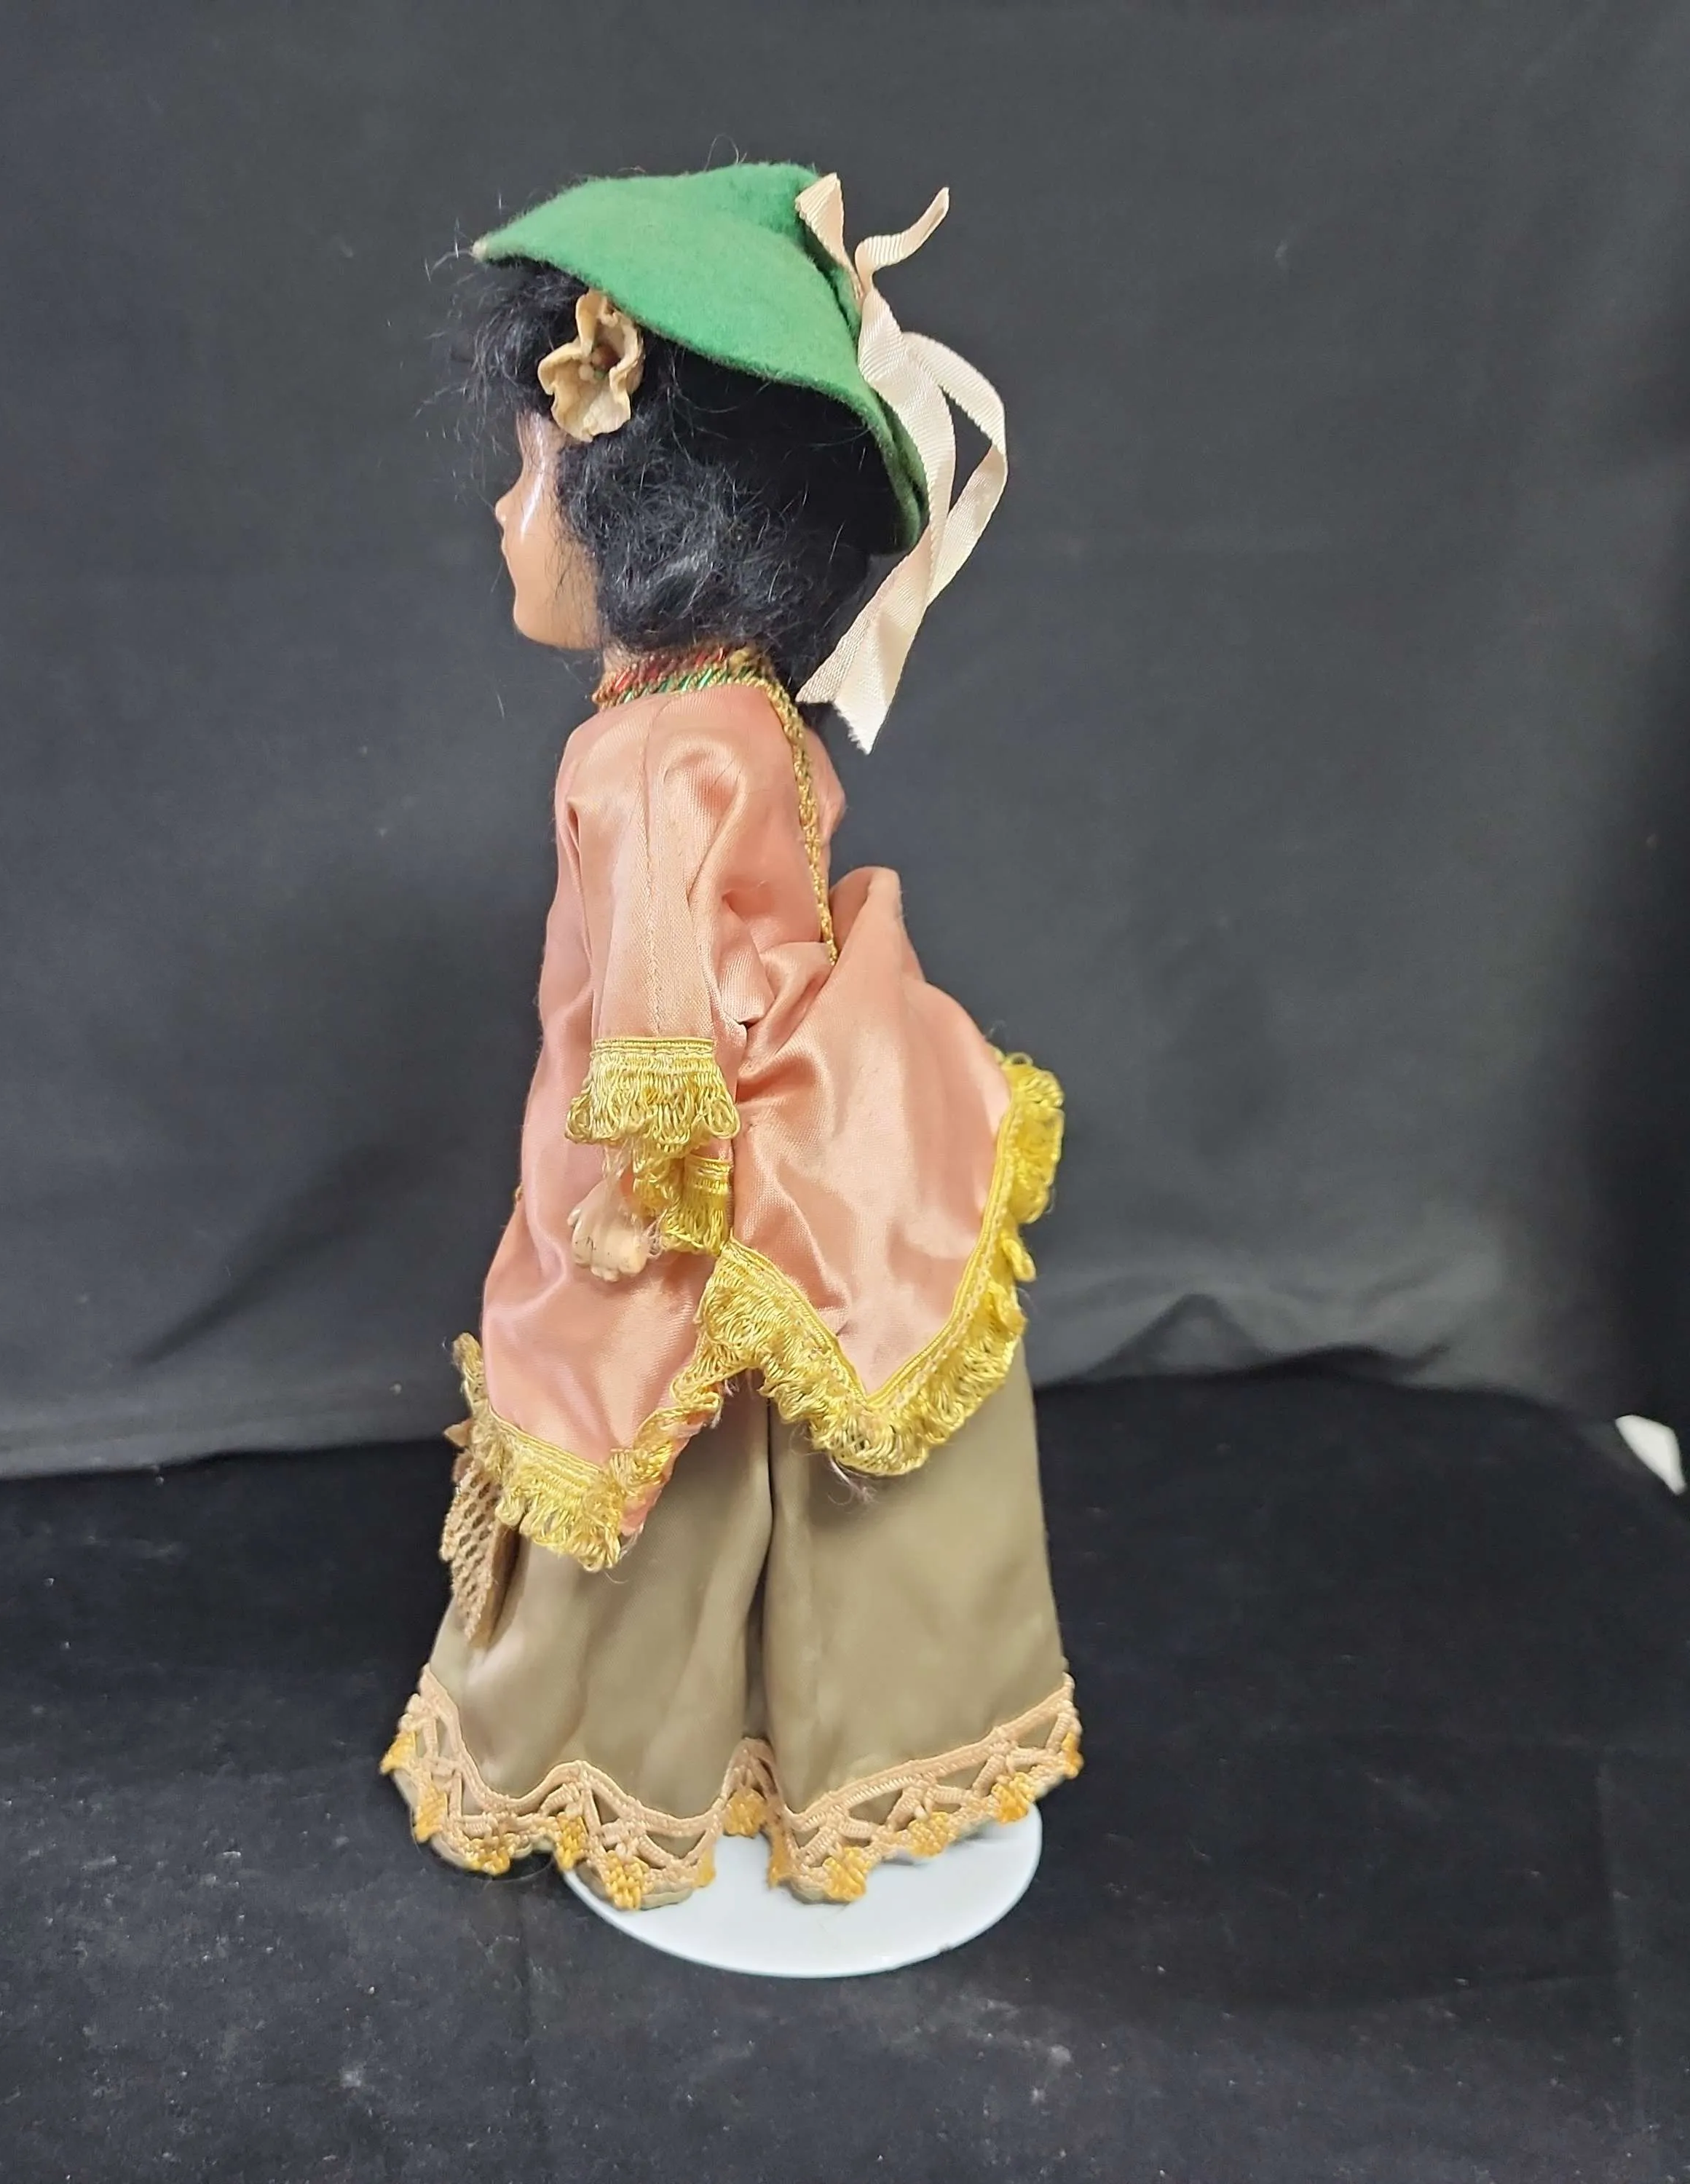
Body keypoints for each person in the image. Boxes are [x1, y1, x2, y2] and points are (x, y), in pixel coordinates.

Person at [382, 164, 1080, 1908]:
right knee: (788, 1461)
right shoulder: (737, 706)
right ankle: (822, 1728)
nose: (504, 515)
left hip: (702, 1140)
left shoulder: (644, 752)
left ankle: (644, 1744)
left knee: (657, 1437)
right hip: (824, 1099)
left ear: (645, 513)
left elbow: (653, 997)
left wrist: (640, 1192)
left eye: (532, 475)